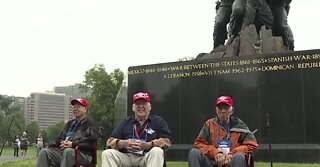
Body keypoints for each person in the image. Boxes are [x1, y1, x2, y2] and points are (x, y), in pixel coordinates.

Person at [102, 92, 172, 167]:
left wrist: (148, 145)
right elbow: (110, 141)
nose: (141, 106)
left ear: (150, 107)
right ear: (133, 107)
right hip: (127, 157)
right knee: (107, 153)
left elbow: (167, 142)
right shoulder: (126, 122)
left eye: (144, 103)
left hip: (146, 156)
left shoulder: (158, 121)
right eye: (138, 104)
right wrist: (123, 143)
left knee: (157, 151)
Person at [188, 95, 259, 167]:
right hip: (213, 163)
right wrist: (215, 153)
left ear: (232, 111)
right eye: (220, 108)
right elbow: (198, 144)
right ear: (216, 110)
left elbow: (252, 145)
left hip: (232, 163)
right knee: (194, 152)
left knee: (239, 156)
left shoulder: (239, 125)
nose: (223, 111)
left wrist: (233, 153)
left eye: (226, 108)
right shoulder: (209, 124)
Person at [36, 98, 99, 167]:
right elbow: (59, 138)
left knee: (68, 151)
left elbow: (91, 143)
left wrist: (73, 144)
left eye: (78, 107)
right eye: (74, 107)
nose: (75, 109)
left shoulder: (91, 124)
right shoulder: (70, 124)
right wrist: (63, 142)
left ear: (85, 109)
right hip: (64, 152)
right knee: (44, 152)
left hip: (83, 154)